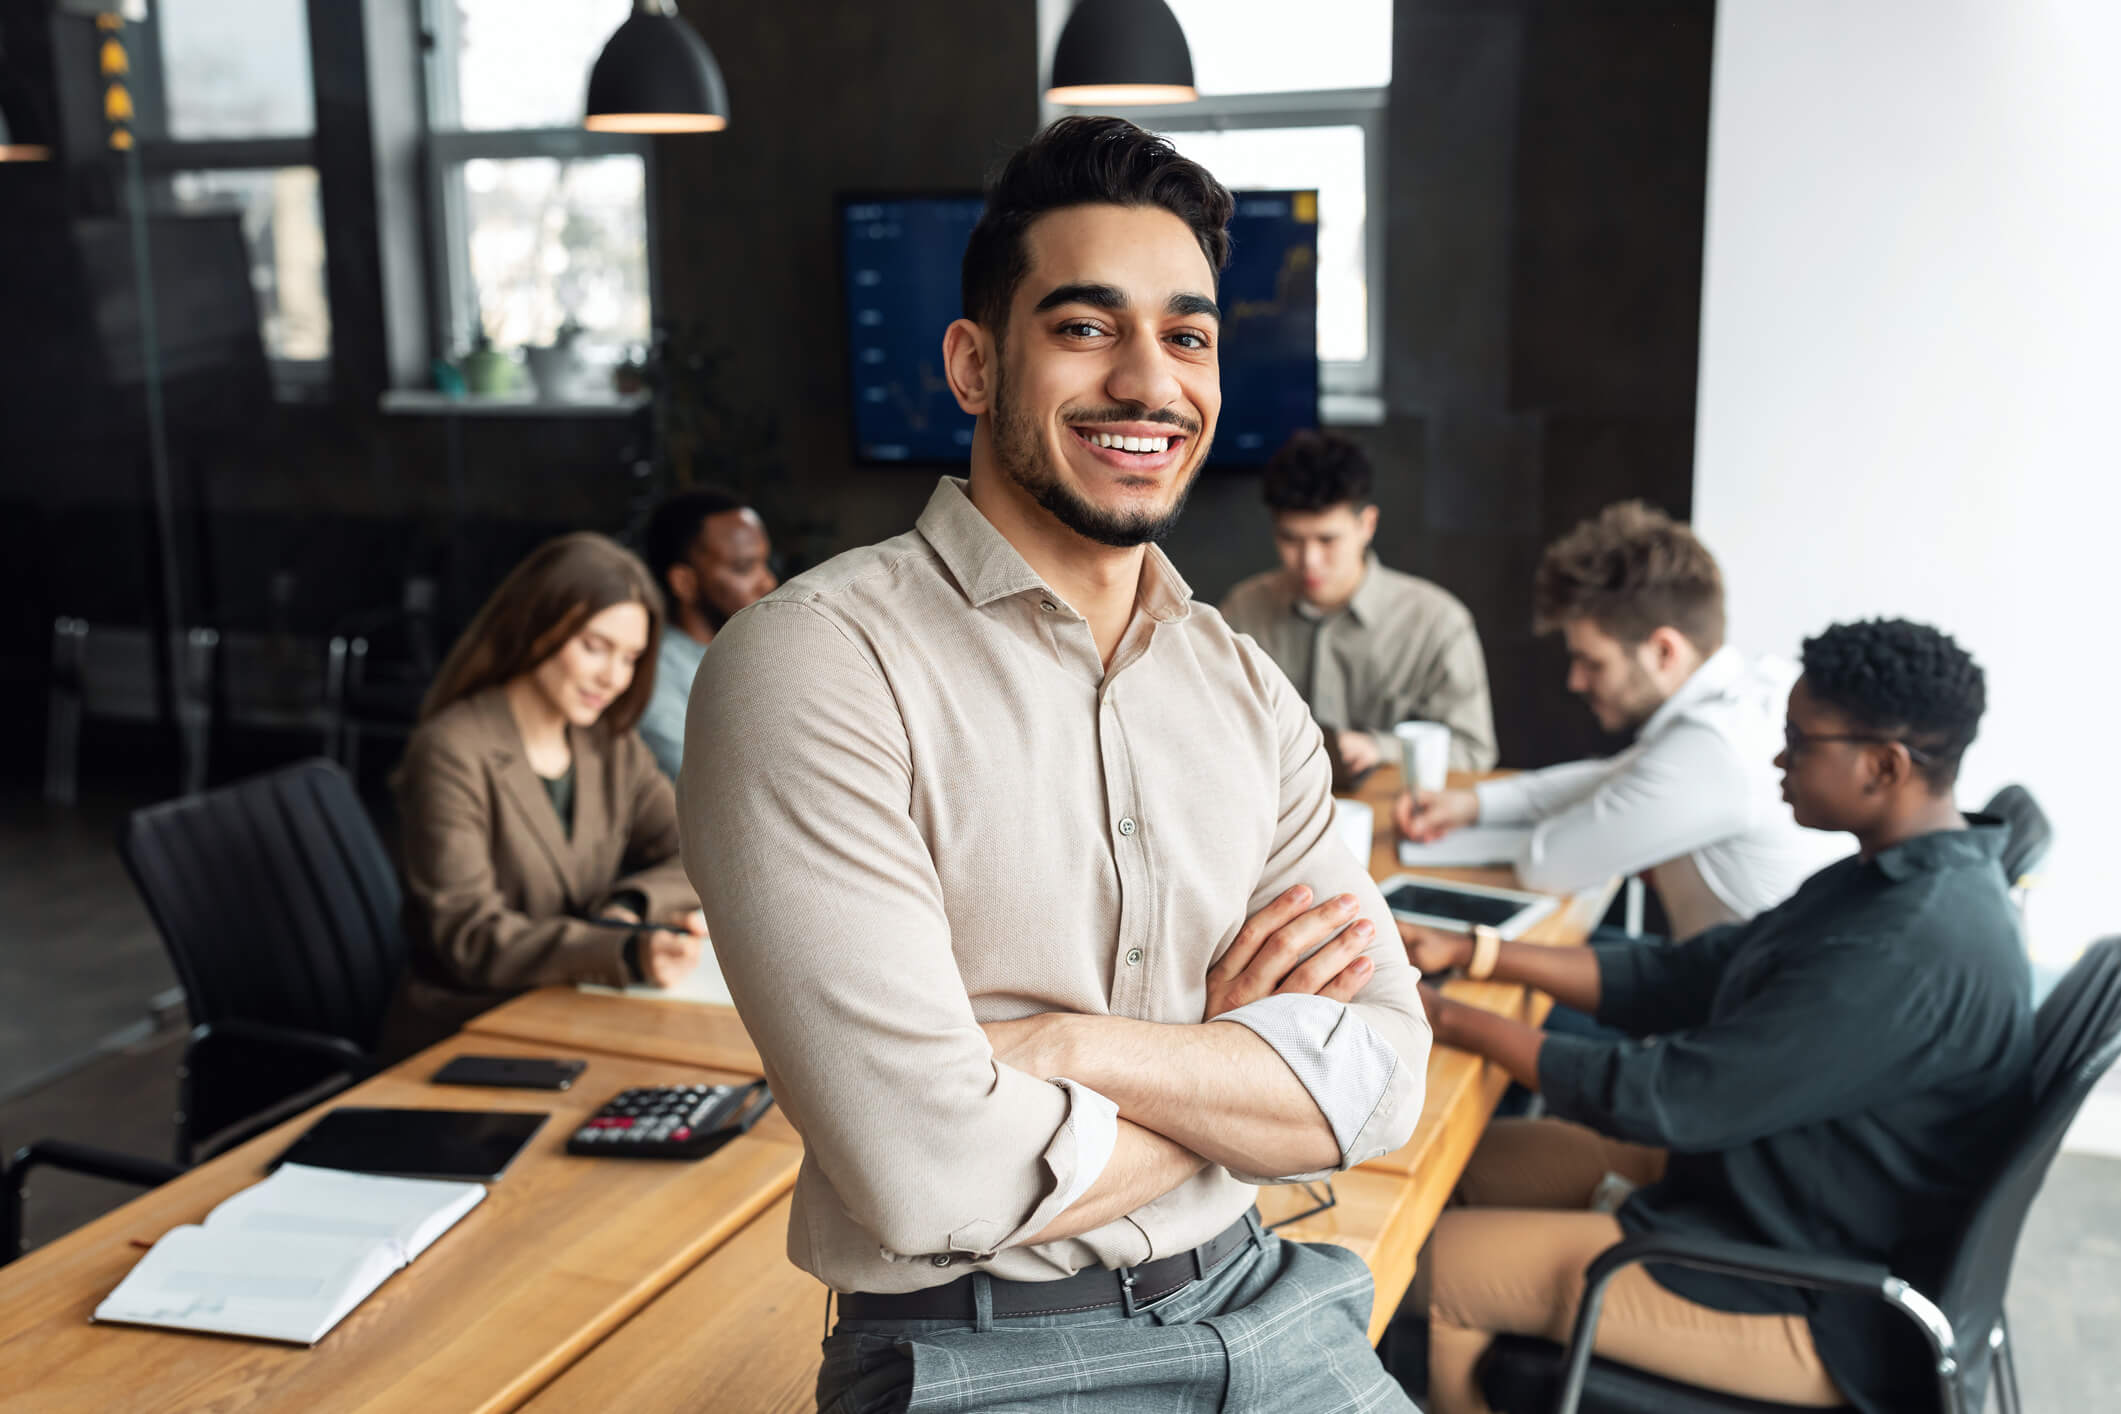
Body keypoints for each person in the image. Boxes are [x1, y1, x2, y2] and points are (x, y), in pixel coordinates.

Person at [684, 117, 1429, 1413]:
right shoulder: (813, 663)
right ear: (973, 364)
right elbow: (930, 1173)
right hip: (986, 1358)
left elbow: (1377, 1083)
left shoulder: (1246, 687)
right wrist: (1229, 1061)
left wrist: (1063, 1047)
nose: (1149, 382)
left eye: (1186, 335)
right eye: (1086, 327)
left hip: (1269, 1295)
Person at [1396, 618, 2030, 1414]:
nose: (1776, 758)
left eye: (1799, 742)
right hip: (1761, 1191)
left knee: (1425, 1268)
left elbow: (1664, 1097)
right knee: (1455, 1163)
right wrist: (1479, 953)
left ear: (1883, 765)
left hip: (1806, 1291)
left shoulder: (1903, 949)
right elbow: (1692, 972)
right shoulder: (1897, 877)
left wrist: (1448, 1021)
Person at [1395, 500, 1837, 943]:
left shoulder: (1713, 750)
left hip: (1730, 1002)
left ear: (1664, 651)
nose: (1575, 681)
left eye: (1593, 663)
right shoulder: (1750, 688)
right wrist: (1474, 805)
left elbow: (1547, 866)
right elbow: (1618, 775)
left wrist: (1546, 833)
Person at [377, 532, 704, 1059]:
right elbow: (470, 936)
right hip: (468, 1033)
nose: (614, 677)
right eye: (595, 647)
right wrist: (621, 949)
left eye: (630, 657)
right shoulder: (452, 749)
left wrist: (628, 907)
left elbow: (696, 848)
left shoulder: (608, 743)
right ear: (535, 626)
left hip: (580, 1012)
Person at [1221, 430, 1497, 779]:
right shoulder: (1243, 611)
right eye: (1291, 539)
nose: (1309, 561)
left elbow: (1473, 751)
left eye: (1327, 539)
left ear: (1367, 525)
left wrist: (1379, 748)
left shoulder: (1437, 623)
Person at [636, 488, 778, 780]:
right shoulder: (656, 677)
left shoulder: (762, 652)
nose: (768, 581)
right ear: (684, 582)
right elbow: (711, 786)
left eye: (766, 562)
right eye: (744, 567)